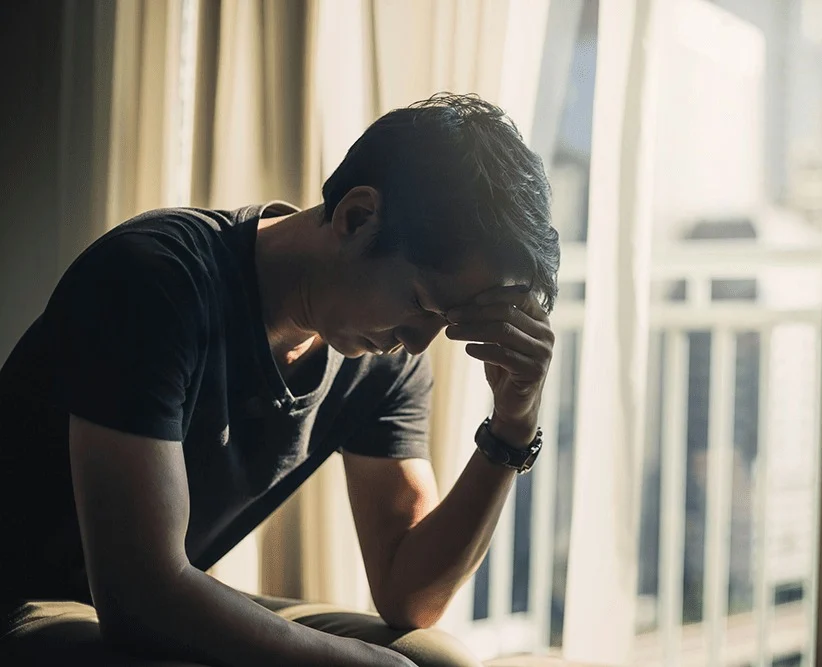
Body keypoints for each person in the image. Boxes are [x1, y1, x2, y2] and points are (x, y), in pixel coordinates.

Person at [0, 94, 560, 667]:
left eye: (446, 322)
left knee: (437, 658)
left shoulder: (386, 353)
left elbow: (409, 596)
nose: (419, 342)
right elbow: (137, 595)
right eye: (420, 302)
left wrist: (513, 426)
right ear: (356, 217)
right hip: (28, 600)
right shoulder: (155, 281)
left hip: (143, 596)